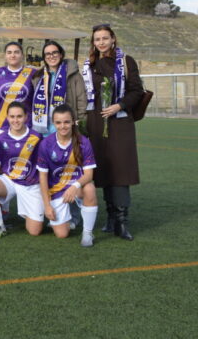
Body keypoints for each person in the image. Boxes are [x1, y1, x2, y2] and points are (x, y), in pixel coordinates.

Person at [83, 24, 144, 241]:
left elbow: (137, 90)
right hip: (97, 123)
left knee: (121, 171)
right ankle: (110, 219)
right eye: (97, 39)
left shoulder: (126, 61)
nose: (101, 42)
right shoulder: (89, 63)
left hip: (119, 122)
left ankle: (122, 221)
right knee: (104, 170)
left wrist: (119, 106)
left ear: (113, 39)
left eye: (105, 38)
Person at [37, 104, 99, 247]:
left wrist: (74, 186)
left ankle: (87, 233)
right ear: (54, 123)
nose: (62, 126)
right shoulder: (46, 144)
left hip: (76, 187)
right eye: (58, 122)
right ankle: (71, 214)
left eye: (66, 122)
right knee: (62, 234)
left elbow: (89, 174)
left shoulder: (83, 142)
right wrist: (47, 206)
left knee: (89, 188)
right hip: (57, 190)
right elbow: (43, 178)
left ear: (73, 122)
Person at [0, 101, 43, 239]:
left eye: (19, 116)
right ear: (7, 117)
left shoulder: (36, 137)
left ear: (26, 117)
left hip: (30, 184)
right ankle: (0, 226)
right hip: (9, 180)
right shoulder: (1, 138)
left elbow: (44, 164)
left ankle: (31, 215)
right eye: (12, 116)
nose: (16, 120)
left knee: (35, 231)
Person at [31, 41, 87, 136]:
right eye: (47, 54)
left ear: (61, 54)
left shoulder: (73, 75)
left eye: (54, 52)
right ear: (44, 57)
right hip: (43, 130)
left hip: (66, 129)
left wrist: (80, 122)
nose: (51, 56)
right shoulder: (38, 77)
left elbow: (82, 101)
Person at [0, 42, 35, 139]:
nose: (12, 55)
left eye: (16, 52)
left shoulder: (33, 73)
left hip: (26, 125)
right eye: (9, 52)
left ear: (22, 55)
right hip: (1, 125)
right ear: (5, 55)